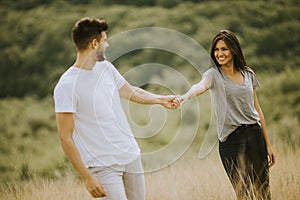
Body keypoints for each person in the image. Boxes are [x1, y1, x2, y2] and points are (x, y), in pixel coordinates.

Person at [53, 17, 179, 200]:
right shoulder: (66, 85)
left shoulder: (105, 68)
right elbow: (65, 137)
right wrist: (86, 178)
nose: (108, 44)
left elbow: (131, 92)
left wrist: (161, 99)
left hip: (130, 155)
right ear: (94, 43)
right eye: (105, 40)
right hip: (102, 166)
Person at [178, 30, 275, 199]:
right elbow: (200, 86)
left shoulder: (248, 74)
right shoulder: (213, 75)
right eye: (216, 50)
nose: (219, 53)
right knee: (243, 193)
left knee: (263, 192)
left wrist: (268, 145)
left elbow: (257, 110)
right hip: (231, 141)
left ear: (234, 50)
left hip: (254, 135)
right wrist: (185, 96)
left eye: (224, 49)